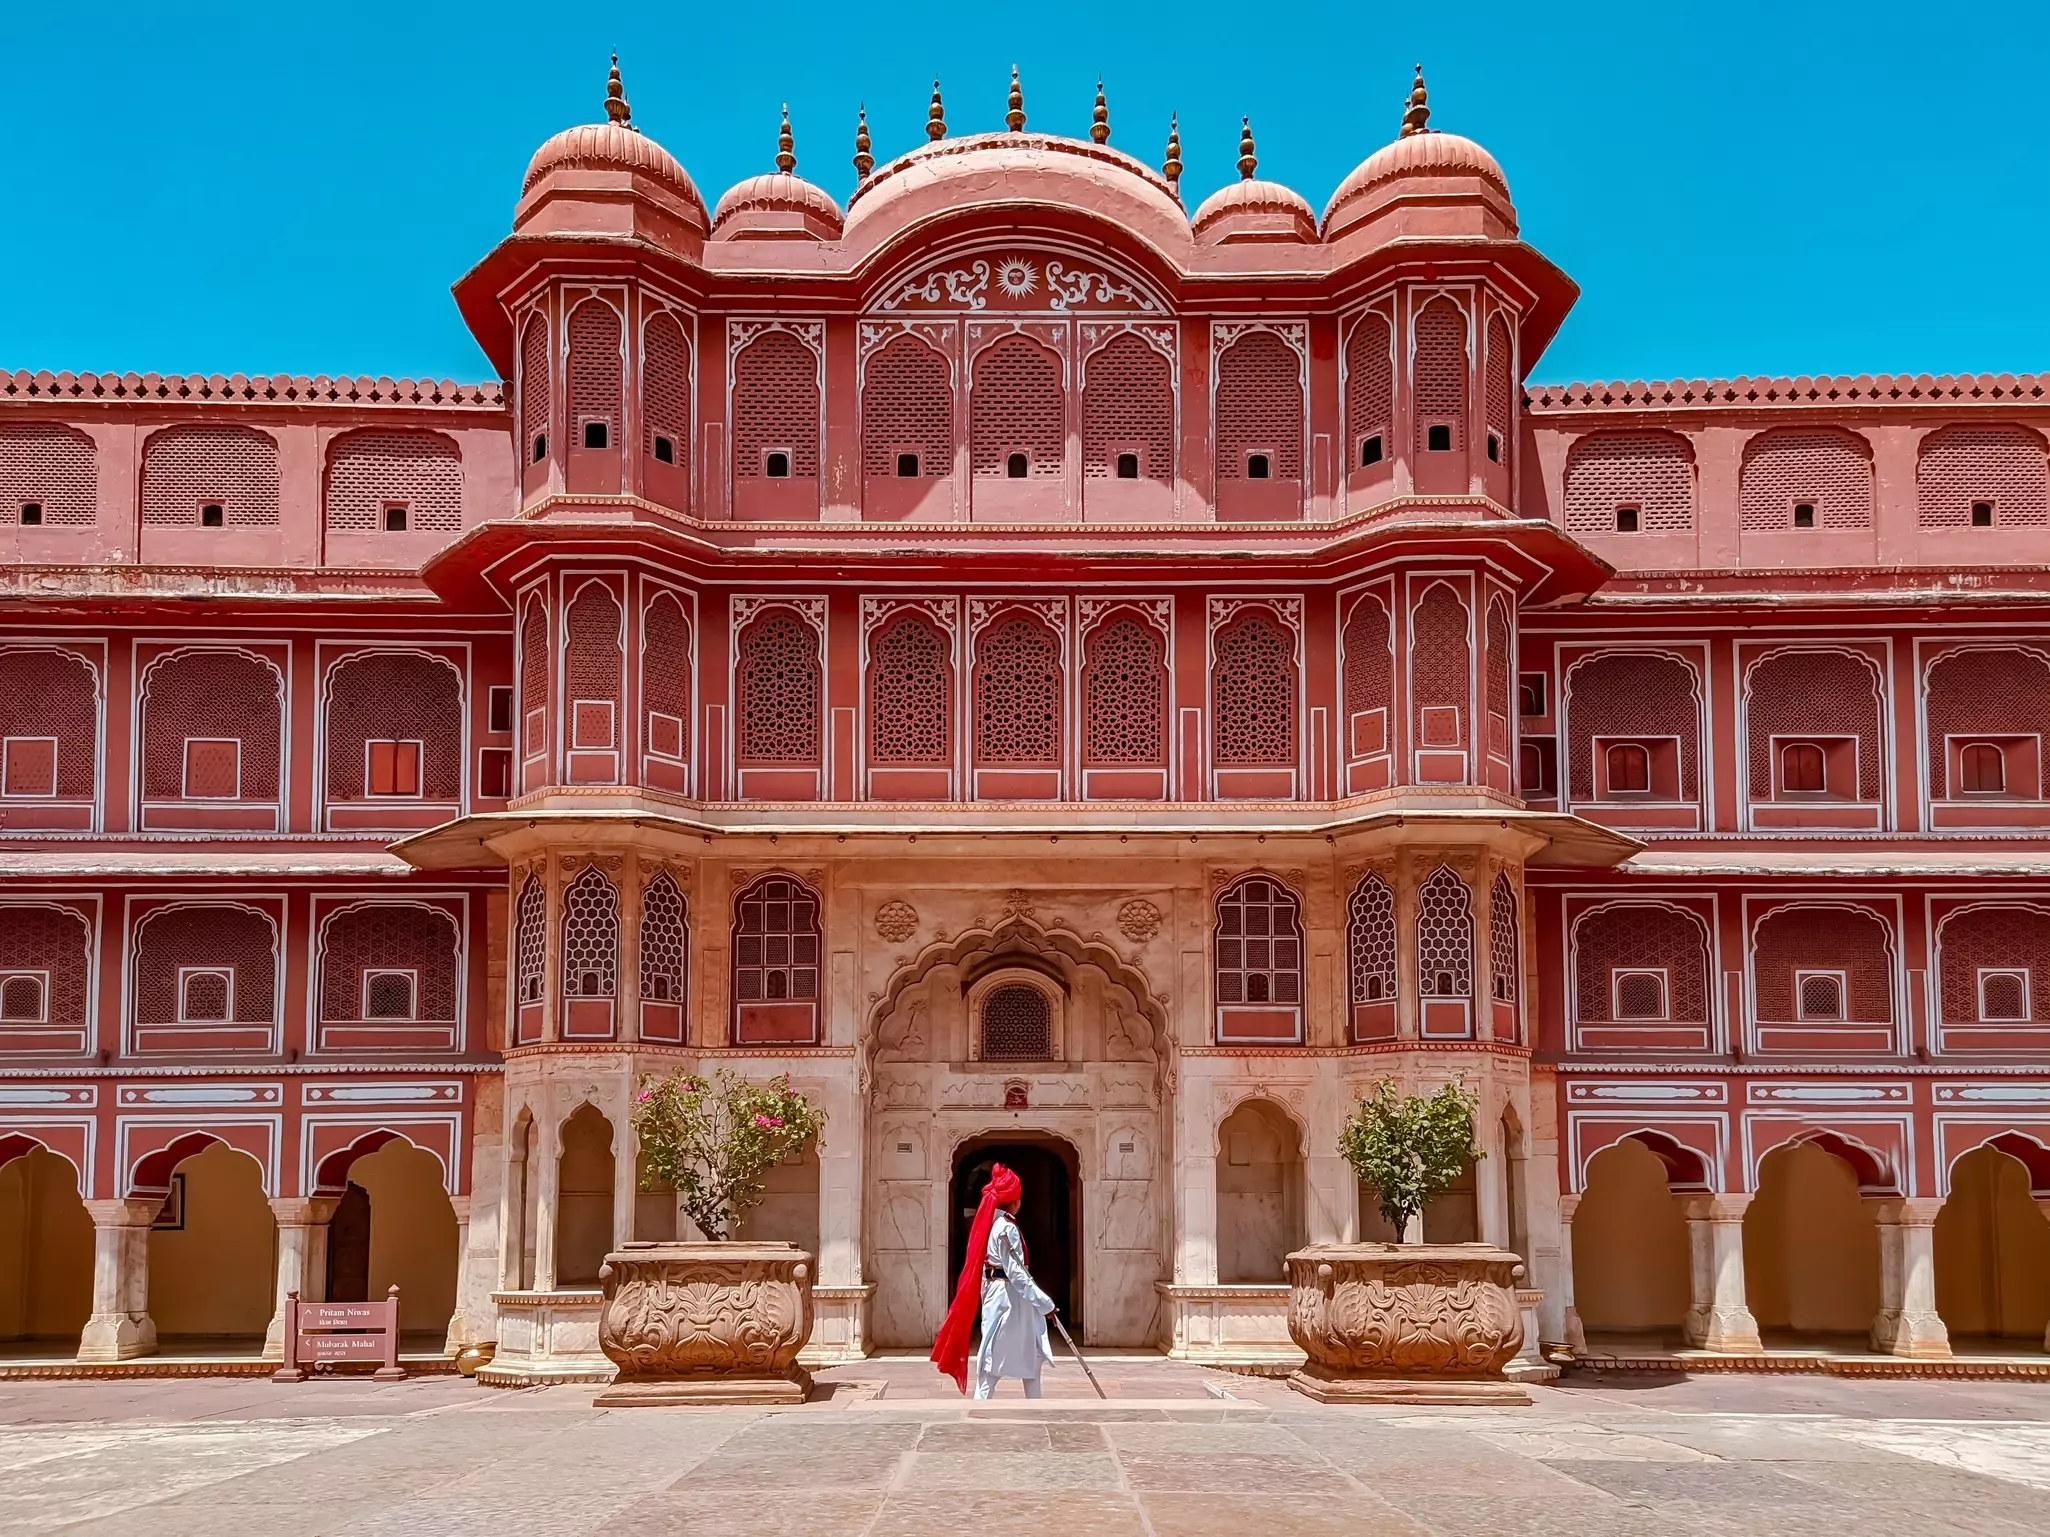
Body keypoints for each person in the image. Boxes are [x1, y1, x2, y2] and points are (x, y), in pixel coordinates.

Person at [930, 1162, 1056, 1398]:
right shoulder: (1005, 1228)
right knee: (995, 1360)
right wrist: (1045, 1303)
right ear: (1015, 1201)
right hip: (1010, 1300)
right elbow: (1017, 1273)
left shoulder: (991, 1225)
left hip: (1002, 1297)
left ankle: (1032, 1407)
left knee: (1027, 1357)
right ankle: (985, 1408)